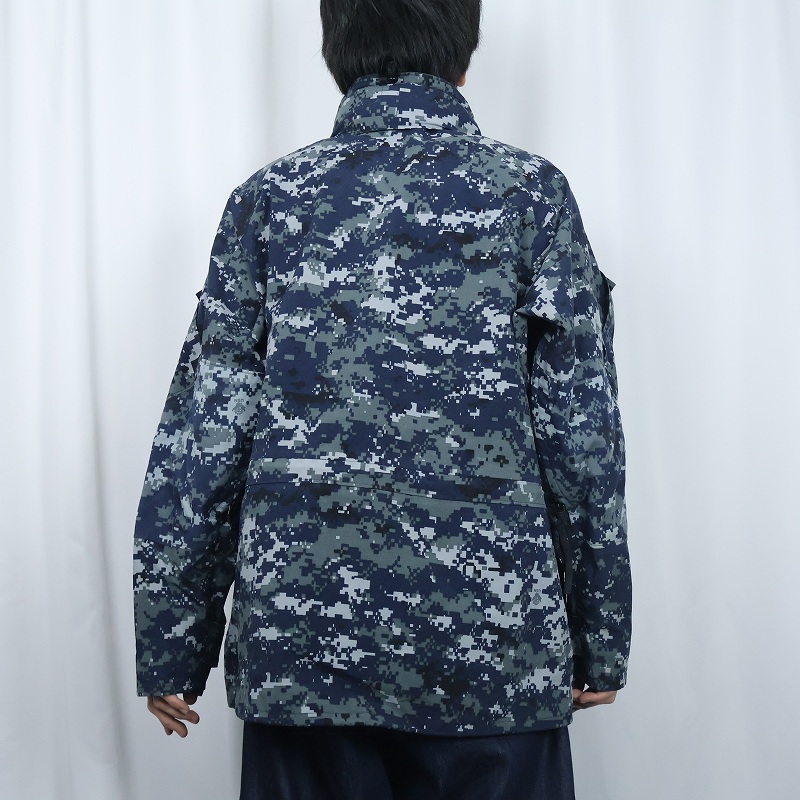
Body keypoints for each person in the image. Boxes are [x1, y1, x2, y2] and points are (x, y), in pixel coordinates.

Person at [134, 1, 632, 797]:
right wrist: (600, 632)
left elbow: (204, 440)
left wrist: (172, 640)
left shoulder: (271, 200)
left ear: (335, 50)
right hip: (491, 653)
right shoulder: (531, 196)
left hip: (304, 658)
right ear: (464, 55)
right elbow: (583, 437)